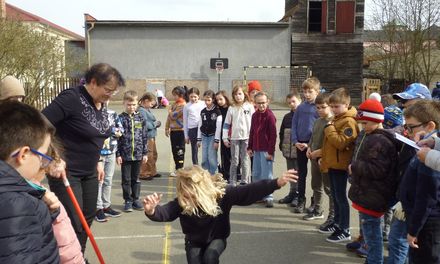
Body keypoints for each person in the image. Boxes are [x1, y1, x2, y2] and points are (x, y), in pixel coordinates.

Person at [42, 62, 125, 252]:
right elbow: (39, 124)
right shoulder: (71, 98)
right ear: (93, 82)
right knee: (73, 221)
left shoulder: (101, 102)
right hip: (67, 172)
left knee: (87, 218)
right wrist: (53, 157)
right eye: (108, 90)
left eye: (114, 91)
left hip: (90, 172)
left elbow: (94, 135)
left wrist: (98, 161)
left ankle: (78, 255)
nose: (110, 95)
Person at [143, 166, 299, 264]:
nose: (187, 198)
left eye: (191, 195)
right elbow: (166, 212)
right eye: (184, 194)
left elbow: (248, 191)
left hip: (217, 238)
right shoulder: (183, 202)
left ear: (201, 190)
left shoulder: (222, 195)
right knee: (195, 260)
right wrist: (151, 210)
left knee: (210, 257)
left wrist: (276, 183)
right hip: (194, 242)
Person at [0, 101, 60, 263]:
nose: (43, 164)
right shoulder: (19, 204)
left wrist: (45, 212)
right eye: (42, 156)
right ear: (24, 154)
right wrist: (35, 209)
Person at [348, 99, 399, 264]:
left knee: (372, 236)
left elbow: (377, 169)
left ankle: (374, 261)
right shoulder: (375, 137)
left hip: (373, 195)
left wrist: (354, 167)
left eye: (365, 123)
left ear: (376, 121)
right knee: (371, 233)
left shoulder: (378, 141)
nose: (363, 127)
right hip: (370, 194)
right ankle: (372, 259)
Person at [398, 100, 440, 264]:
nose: (407, 132)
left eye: (411, 127)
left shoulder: (428, 158)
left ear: (430, 126)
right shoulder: (428, 148)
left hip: (428, 226)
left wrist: (414, 230)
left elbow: (426, 198)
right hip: (422, 221)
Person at [320, 87, 359, 243]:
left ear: (347, 104)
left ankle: (345, 229)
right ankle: (337, 223)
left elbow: (341, 143)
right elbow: (328, 145)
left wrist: (329, 128)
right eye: (333, 106)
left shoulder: (349, 121)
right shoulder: (337, 119)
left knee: (341, 198)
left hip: (341, 166)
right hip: (333, 165)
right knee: (335, 197)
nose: (334, 109)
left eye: (337, 106)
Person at [291, 77, 320, 213]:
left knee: (316, 176)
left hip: (313, 146)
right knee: (301, 173)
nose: (307, 94)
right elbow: (294, 125)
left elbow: (320, 129)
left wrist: (309, 144)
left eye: (310, 91)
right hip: (300, 145)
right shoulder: (300, 107)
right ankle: (301, 200)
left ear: (317, 92)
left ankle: (315, 202)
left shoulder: (319, 108)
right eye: (305, 92)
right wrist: (296, 141)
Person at [304, 93, 334, 223]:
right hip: (314, 159)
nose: (320, 110)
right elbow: (313, 137)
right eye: (318, 107)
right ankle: (318, 210)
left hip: (325, 160)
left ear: (330, 107)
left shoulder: (332, 122)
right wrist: (309, 148)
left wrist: (320, 153)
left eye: (323, 107)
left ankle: (333, 216)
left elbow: (331, 144)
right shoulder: (317, 121)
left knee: (329, 189)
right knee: (316, 185)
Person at [117, 90, 148, 212]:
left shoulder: (140, 117)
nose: (131, 107)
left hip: (138, 154)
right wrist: (118, 154)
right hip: (125, 155)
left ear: (137, 104)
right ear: (124, 103)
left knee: (136, 178)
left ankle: (135, 199)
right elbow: (117, 139)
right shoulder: (120, 118)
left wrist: (145, 153)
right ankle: (128, 200)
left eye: (134, 104)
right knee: (126, 179)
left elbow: (144, 136)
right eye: (129, 104)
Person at [247, 92, 277, 208]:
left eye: (263, 103)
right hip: (256, 149)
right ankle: (258, 195)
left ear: (267, 102)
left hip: (266, 150)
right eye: (258, 103)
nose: (261, 105)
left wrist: (270, 152)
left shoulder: (270, 116)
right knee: (256, 174)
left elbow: (273, 136)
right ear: (255, 103)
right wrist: (249, 147)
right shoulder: (254, 116)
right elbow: (252, 132)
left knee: (267, 174)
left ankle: (268, 196)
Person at [95, 103, 124, 222]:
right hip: (98, 152)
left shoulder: (112, 114)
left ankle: (106, 205)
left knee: (108, 180)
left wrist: (110, 130)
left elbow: (120, 130)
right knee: (99, 181)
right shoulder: (92, 114)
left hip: (111, 151)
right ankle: (98, 208)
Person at [222, 85, 255, 185]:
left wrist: (253, 138)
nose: (238, 96)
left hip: (247, 138)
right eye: (235, 94)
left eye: (240, 93)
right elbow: (227, 124)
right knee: (235, 160)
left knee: (245, 159)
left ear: (244, 94)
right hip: (234, 138)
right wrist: (224, 137)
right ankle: (232, 181)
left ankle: (245, 181)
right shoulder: (231, 108)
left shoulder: (249, 106)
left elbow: (254, 123)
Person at [278, 93, 301, 206]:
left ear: (299, 101)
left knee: (298, 173)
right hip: (288, 150)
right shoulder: (287, 117)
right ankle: (292, 193)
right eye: (289, 102)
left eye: (293, 101)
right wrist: (281, 145)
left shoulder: (303, 115)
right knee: (291, 172)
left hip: (299, 151)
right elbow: (282, 132)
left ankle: (298, 195)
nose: (291, 104)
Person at [197, 90, 222, 175]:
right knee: (204, 157)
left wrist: (216, 140)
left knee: (212, 157)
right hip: (204, 136)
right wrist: (199, 139)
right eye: (205, 100)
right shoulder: (203, 111)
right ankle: (206, 174)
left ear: (213, 100)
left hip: (213, 136)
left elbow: (218, 127)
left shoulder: (217, 111)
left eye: (209, 100)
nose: (207, 102)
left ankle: (213, 174)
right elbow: (200, 125)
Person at [139, 92, 162, 180]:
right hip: (147, 136)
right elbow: (144, 124)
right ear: (146, 101)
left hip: (151, 136)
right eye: (151, 103)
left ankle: (152, 171)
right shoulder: (141, 111)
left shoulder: (146, 110)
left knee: (153, 154)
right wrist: (155, 124)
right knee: (148, 155)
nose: (152, 105)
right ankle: (144, 173)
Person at [165, 86, 187, 176]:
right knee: (174, 149)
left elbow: (174, 116)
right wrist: (167, 128)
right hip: (174, 130)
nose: (174, 97)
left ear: (181, 95)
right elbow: (169, 118)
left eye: (175, 95)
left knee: (180, 150)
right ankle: (177, 167)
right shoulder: (174, 104)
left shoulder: (183, 105)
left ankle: (180, 168)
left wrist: (169, 110)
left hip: (180, 131)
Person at [184, 87, 205, 165]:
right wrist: (186, 136)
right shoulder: (187, 106)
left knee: (205, 148)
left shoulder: (203, 103)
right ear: (188, 96)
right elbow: (185, 121)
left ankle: (206, 166)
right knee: (194, 149)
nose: (193, 98)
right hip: (192, 130)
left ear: (198, 96)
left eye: (195, 96)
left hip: (203, 128)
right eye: (191, 97)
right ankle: (196, 166)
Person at [215, 90, 232, 182]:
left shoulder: (231, 108)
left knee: (233, 156)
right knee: (224, 155)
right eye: (217, 100)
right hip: (221, 135)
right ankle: (225, 174)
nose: (219, 102)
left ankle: (234, 173)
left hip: (231, 135)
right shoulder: (218, 110)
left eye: (221, 99)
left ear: (226, 98)